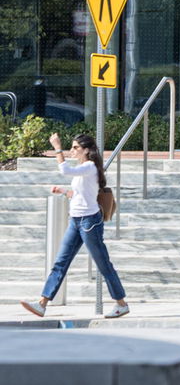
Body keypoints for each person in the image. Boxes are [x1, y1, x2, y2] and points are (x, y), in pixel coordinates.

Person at [19, 131, 128, 319]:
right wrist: (64, 191)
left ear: (86, 150)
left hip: (89, 223)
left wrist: (57, 147)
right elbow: (80, 195)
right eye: (71, 147)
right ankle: (42, 304)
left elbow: (64, 170)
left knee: (103, 265)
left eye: (75, 147)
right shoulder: (83, 170)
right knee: (60, 262)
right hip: (75, 221)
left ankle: (121, 304)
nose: (72, 150)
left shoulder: (90, 167)